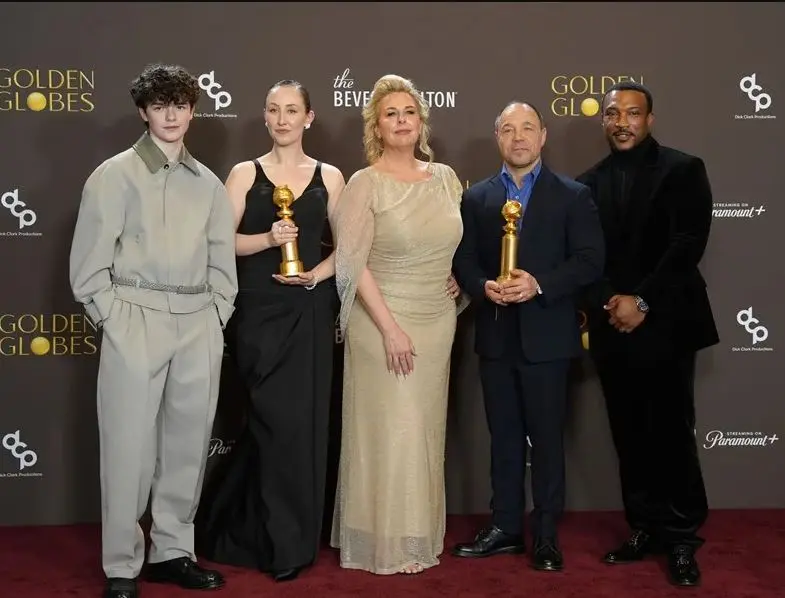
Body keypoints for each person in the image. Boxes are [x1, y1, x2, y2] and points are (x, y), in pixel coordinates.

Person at [69, 63, 238, 598]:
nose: (171, 116)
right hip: (134, 318)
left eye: (180, 105)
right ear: (143, 112)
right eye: (160, 106)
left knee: (187, 446)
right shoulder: (113, 175)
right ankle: (122, 563)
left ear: (192, 111)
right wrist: (114, 320)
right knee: (128, 449)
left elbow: (222, 264)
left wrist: (215, 316)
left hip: (197, 322)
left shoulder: (209, 184)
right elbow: (89, 267)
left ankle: (172, 552)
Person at [194, 80, 345, 582]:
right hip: (257, 313)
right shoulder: (244, 173)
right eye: (274, 110)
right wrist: (267, 238)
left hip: (310, 310)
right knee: (270, 423)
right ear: (264, 116)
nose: (283, 119)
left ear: (309, 117)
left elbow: (350, 246)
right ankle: (250, 530)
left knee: (302, 428)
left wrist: (315, 275)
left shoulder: (330, 176)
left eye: (292, 110)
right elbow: (218, 242)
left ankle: (291, 543)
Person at [451, 101, 605, 572]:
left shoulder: (573, 195)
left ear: (543, 136)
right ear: (497, 137)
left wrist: (538, 284)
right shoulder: (476, 198)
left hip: (548, 340)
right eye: (508, 129)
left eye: (527, 128)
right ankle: (505, 527)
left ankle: (546, 535)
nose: (518, 137)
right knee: (503, 439)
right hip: (497, 339)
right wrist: (483, 286)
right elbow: (464, 260)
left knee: (547, 440)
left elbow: (589, 260)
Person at [576, 81, 718, 587]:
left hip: (669, 323)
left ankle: (681, 538)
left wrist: (642, 301)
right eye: (613, 114)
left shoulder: (684, 169)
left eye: (632, 114)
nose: (622, 123)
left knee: (672, 433)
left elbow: (688, 243)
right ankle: (644, 527)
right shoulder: (586, 184)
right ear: (603, 120)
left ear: (649, 119)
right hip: (613, 324)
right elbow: (587, 257)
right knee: (629, 432)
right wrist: (613, 301)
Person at [329, 74, 465, 576]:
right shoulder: (364, 183)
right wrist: (389, 328)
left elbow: (454, 240)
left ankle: (415, 533)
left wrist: (459, 277)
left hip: (437, 318)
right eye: (391, 114)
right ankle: (380, 539)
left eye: (409, 112)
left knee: (423, 428)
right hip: (380, 318)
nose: (402, 121)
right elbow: (352, 261)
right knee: (389, 427)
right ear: (377, 127)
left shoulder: (446, 178)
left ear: (421, 122)